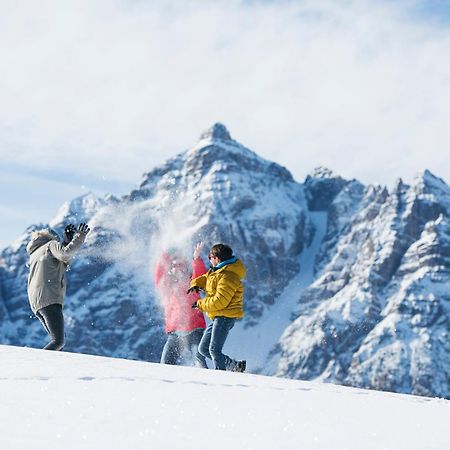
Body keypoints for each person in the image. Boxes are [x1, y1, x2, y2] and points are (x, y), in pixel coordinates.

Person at [26, 223, 90, 350]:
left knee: (58, 340)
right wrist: (79, 237)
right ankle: (36, 365)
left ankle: (52, 369)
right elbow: (65, 255)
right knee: (58, 341)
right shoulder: (50, 244)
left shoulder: (35, 253)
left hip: (37, 302)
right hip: (49, 297)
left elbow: (58, 263)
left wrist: (66, 241)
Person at [188, 243, 246, 372]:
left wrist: (200, 304)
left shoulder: (228, 276)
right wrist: (196, 283)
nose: (209, 259)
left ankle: (221, 378)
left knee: (214, 350)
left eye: (210, 257)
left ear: (217, 258)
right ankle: (235, 366)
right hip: (218, 316)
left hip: (225, 317)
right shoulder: (219, 271)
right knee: (203, 349)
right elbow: (208, 278)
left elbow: (220, 301)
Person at [154, 242, 208, 368]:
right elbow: (159, 276)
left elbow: (200, 276)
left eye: (181, 264)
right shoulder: (167, 286)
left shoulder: (192, 282)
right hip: (176, 332)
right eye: (174, 265)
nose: (178, 268)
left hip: (195, 330)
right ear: (170, 269)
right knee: (165, 364)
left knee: (199, 362)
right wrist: (164, 254)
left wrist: (196, 258)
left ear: (186, 267)